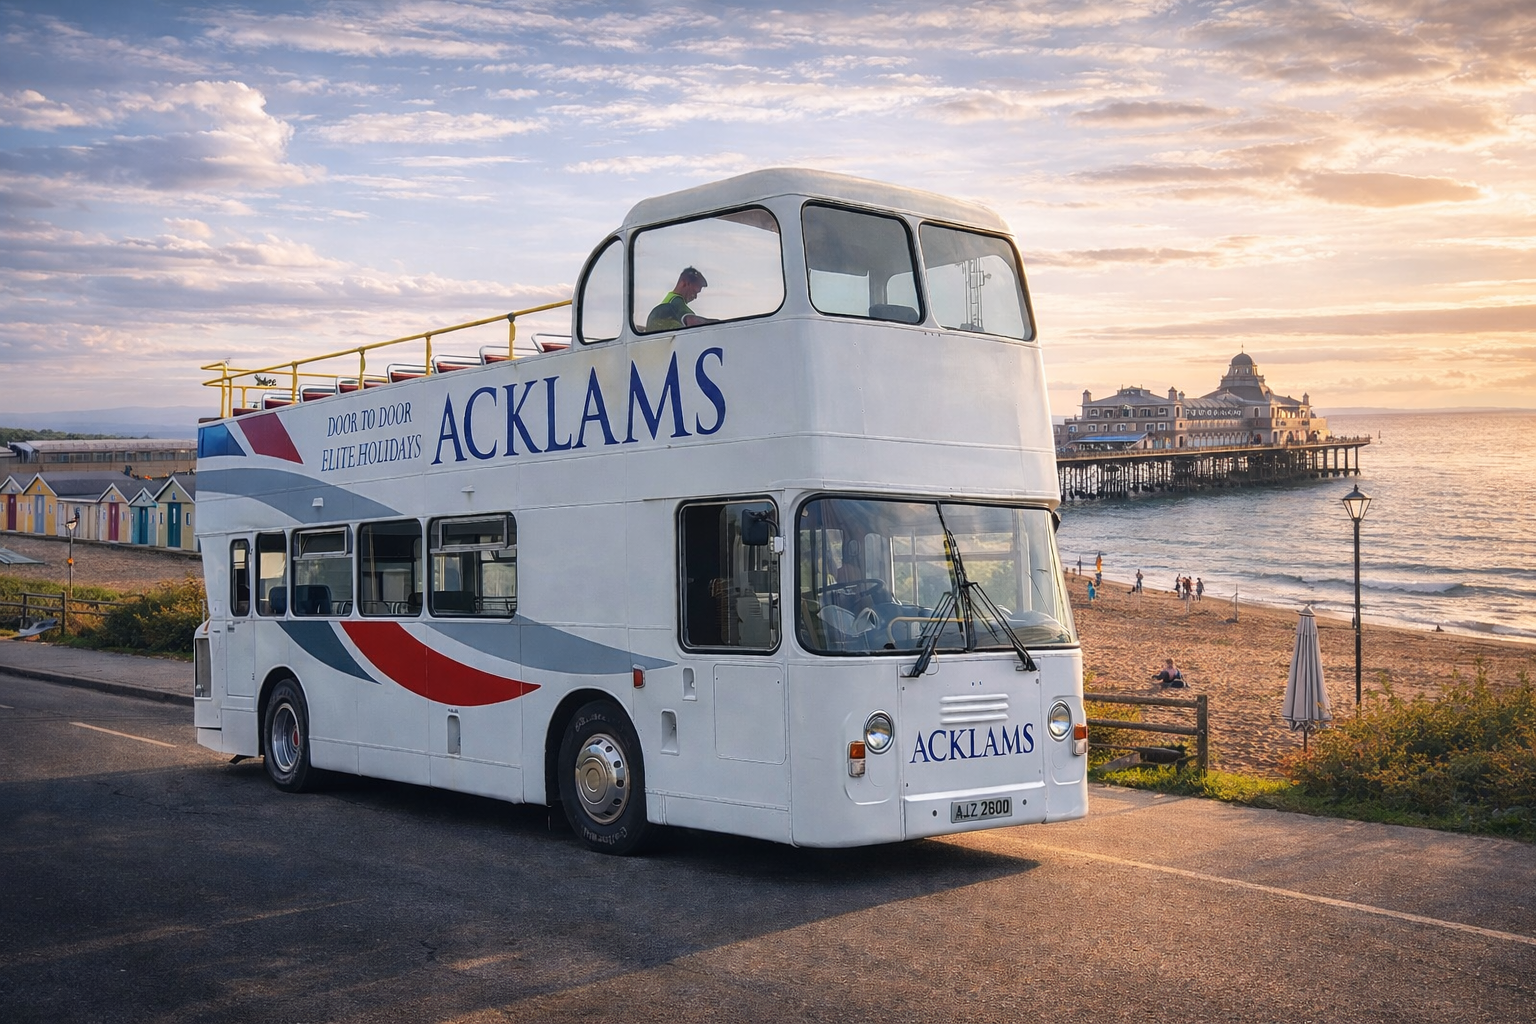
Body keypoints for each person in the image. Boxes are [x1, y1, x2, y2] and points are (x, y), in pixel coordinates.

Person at [645, 267, 715, 331]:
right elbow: (693, 322)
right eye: (694, 292)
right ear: (684, 283)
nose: (695, 297)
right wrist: (721, 323)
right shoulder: (676, 301)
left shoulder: (669, 299)